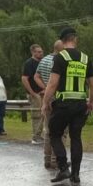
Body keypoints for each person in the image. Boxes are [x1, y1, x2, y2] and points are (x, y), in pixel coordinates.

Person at [42, 28, 93, 184]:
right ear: (75, 39)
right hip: (80, 104)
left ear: (63, 41)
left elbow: (52, 84)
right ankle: (76, 175)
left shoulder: (60, 57)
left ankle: (63, 168)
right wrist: (91, 102)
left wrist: (45, 103)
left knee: (54, 134)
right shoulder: (85, 59)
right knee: (76, 137)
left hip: (64, 104)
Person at [35, 40, 65, 168]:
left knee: (48, 130)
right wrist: (51, 88)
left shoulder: (44, 60)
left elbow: (36, 76)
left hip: (46, 99)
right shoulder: (61, 60)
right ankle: (56, 159)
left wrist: (45, 87)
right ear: (61, 49)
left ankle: (47, 159)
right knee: (61, 132)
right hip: (58, 98)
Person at [22, 44, 45, 145]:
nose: (41, 53)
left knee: (44, 114)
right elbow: (24, 79)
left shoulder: (42, 62)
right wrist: (32, 93)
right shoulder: (29, 63)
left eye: (41, 51)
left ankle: (39, 135)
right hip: (35, 93)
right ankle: (35, 137)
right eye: (38, 52)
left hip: (43, 92)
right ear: (33, 52)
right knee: (37, 115)